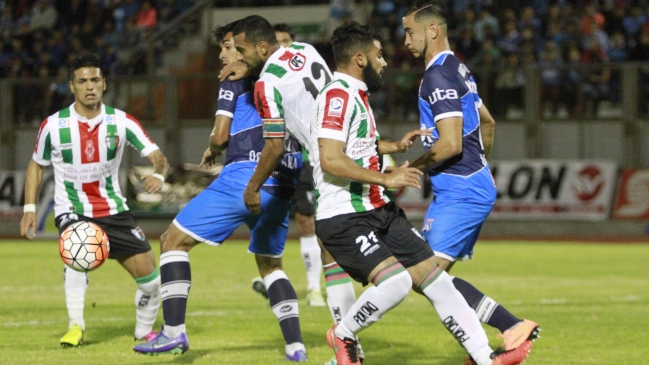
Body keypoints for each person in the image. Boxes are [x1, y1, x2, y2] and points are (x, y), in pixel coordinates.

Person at [311, 21, 531, 365]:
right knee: (397, 283)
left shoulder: (356, 95)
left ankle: (485, 360)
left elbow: (355, 145)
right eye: (379, 55)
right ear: (360, 58)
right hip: (344, 215)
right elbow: (329, 158)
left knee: (437, 281)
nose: (384, 62)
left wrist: (392, 145)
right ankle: (343, 333)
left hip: (377, 209)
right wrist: (385, 179)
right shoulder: (337, 96)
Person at [133, 21, 308, 362]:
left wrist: (214, 146)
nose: (224, 54)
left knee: (172, 241)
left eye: (230, 47)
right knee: (271, 265)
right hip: (284, 178)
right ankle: (295, 347)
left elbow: (220, 136)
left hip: (247, 175)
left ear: (245, 46)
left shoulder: (232, 79)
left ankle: (172, 332)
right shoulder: (285, 73)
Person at [402, 1, 540, 361]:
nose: (404, 41)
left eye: (409, 32)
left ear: (432, 30)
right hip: (468, 183)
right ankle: (488, 344)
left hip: (461, 189)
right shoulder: (458, 67)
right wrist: (477, 166)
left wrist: (409, 168)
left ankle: (508, 328)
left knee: (424, 276)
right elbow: (488, 123)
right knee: (431, 278)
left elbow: (448, 144)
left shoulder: (437, 75)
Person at [226, 14, 360, 362]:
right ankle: (349, 351)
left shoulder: (265, 84)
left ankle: (349, 348)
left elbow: (273, 146)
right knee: (335, 252)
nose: (238, 58)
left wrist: (252, 187)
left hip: (330, 165)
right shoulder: (305, 50)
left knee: (399, 267)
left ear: (261, 46)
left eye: (241, 51)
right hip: (353, 147)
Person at [20, 53, 167, 347]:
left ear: (104, 83)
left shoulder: (122, 122)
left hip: (114, 210)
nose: (89, 86)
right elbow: (36, 164)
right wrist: (29, 208)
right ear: (71, 86)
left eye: (95, 80)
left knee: (152, 283)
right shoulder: (54, 125)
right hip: (73, 209)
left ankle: (143, 331)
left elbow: (157, 156)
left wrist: (159, 175)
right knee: (79, 246)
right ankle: (76, 326)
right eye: (82, 81)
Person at [250, 22, 327, 308]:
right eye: (276, 42)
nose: (280, 48)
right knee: (279, 222)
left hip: (309, 160)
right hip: (282, 162)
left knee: (316, 223)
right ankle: (279, 279)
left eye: (285, 42)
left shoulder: (278, 78)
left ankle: (315, 287)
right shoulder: (269, 81)